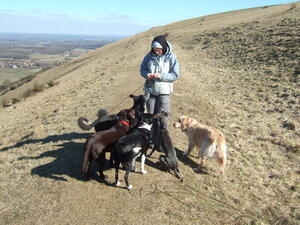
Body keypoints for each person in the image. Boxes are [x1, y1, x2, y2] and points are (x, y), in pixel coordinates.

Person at [140, 35, 179, 123]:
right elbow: (142, 70)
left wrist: (160, 76)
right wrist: (147, 74)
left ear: (164, 47)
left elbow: (175, 75)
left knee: (163, 117)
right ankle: (150, 135)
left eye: (159, 50)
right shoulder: (148, 56)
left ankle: (162, 134)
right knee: (150, 116)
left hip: (164, 93)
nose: (157, 52)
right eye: (154, 49)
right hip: (150, 91)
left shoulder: (171, 57)